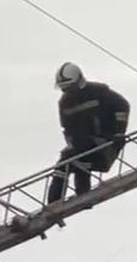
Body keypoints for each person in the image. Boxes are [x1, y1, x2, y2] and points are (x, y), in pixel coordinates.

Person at [47, 62, 130, 204]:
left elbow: (122, 105)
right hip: (83, 147)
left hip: (105, 143)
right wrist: (71, 143)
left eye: (69, 87)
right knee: (69, 161)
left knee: (69, 157)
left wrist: (118, 132)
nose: (67, 91)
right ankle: (61, 201)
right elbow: (66, 128)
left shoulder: (98, 93)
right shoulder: (65, 103)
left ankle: (62, 200)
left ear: (79, 81)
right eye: (64, 88)